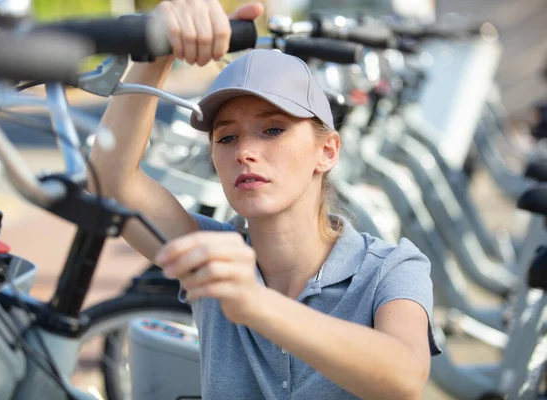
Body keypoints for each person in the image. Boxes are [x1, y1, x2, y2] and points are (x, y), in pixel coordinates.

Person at [88, 1, 441, 399]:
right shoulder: (215, 256)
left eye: (273, 130)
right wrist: (155, 54)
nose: (244, 152)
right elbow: (111, 181)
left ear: (327, 151)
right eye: (227, 137)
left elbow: (405, 377)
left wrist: (257, 304)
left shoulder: (391, 269)